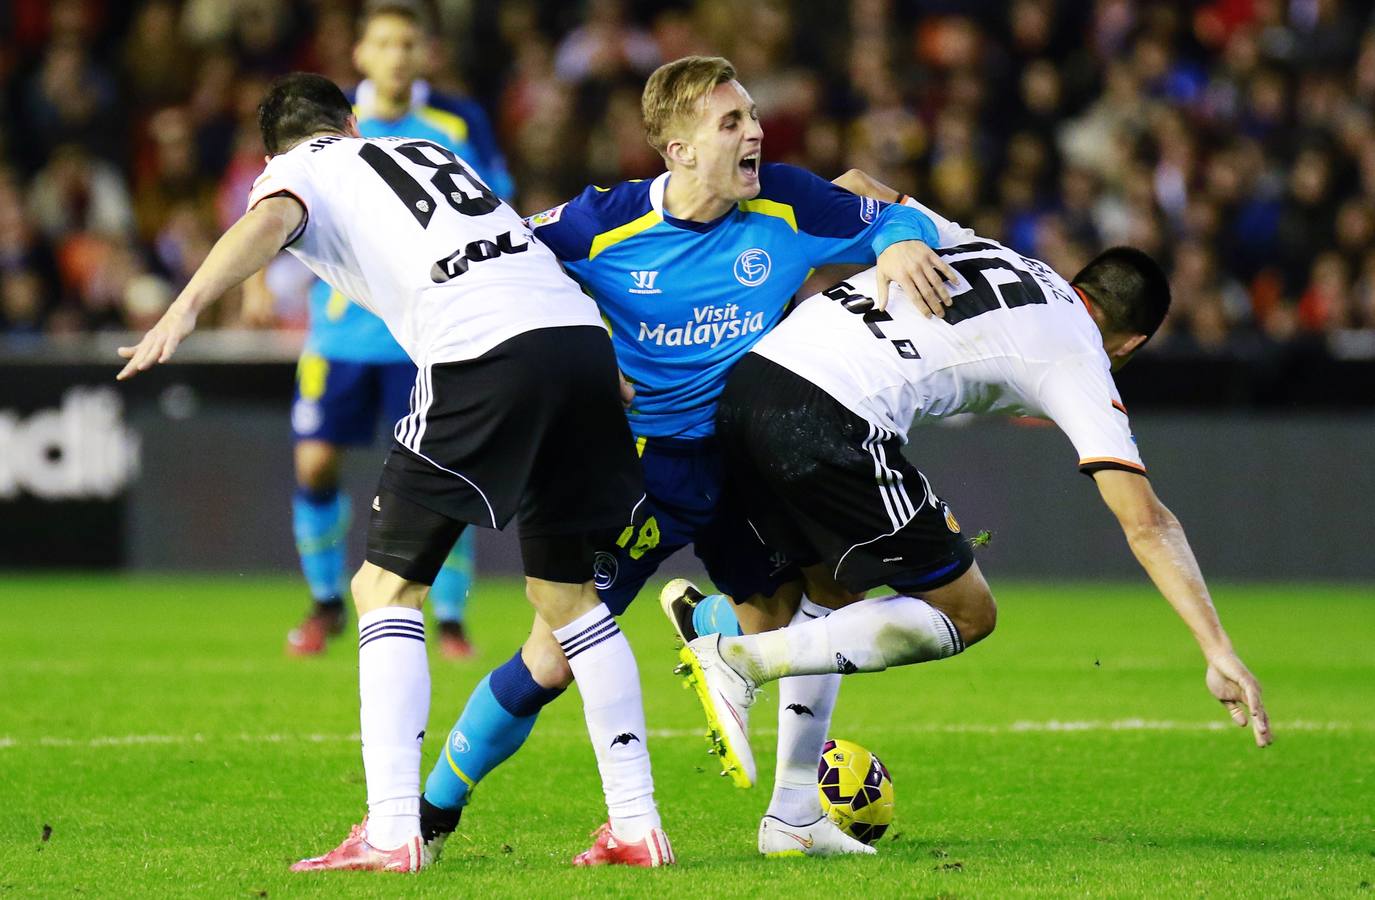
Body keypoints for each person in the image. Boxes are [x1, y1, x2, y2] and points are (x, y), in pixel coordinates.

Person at [117, 72, 673, 871]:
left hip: (481, 349)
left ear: (279, 145)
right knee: (567, 598)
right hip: (576, 339)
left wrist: (186, 305)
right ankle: (636, 824)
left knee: (383, 588)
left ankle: (389, 832)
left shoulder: (300, 169)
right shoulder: (421, 147)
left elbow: (272, 219)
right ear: (352, 118)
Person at [417, 55, 956, 860]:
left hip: (746, 458)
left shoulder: (788, 199)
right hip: (638, 470)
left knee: (781, 619)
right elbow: (502, 267)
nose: (755, 132)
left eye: (752, 116)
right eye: (730, 123)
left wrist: (904, 244)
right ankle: (430, 812)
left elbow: (893, 216)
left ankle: (718, 651)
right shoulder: (601, 223)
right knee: (552, 658)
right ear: (676, 149)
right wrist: (590, 349)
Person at [671, 186, 1273, 843]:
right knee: (967, 612)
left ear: (1077, 281)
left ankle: (793, 818)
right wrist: (1216, 650)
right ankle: (740, 659)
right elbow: (1145, 521)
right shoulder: (1077, 349)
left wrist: (859, 248)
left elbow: (853, 188)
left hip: (750, 379)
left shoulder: (987, 249)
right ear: (1131, 342)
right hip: (826, 415)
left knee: (832, 591)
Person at [260, 0, 512, 658]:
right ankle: (323, 604)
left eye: (408, 43)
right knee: (314, 462)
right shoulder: (332, 126)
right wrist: (269, 279)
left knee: (443, 474)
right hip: (341, 333)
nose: (397, 55)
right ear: (361, 55)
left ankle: (449, 616)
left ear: (425, 52)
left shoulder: (459, 120)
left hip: (425, 333)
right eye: (385, 43)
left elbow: (496, 202)